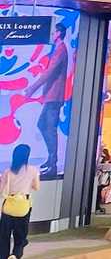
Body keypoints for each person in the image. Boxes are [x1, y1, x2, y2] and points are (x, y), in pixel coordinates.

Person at [22, 22, 70, 177]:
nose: (52, 34)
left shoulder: (61, 49)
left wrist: (32, 88)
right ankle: (51, 160)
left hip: (54, 97)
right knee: (43, 125)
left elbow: (49, 72)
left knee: (49, 128)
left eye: (54, 32)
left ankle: (53, 165)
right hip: (52, 96)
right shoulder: (58, 49)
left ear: (59, 33)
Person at [0, 144, 41, 259]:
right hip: (23, 206)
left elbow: (1, 190)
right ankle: (15, 255)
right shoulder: (33, 170)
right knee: (21, 237)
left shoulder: (7, 171)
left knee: (4, 237)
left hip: (8, 207)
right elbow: (37, 187)